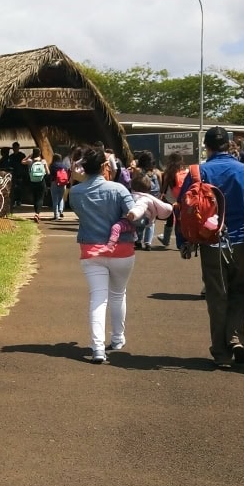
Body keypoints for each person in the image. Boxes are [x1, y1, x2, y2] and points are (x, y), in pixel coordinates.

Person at [176, 127, 244, 367]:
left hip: (211, 242)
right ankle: (236, 337)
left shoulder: (197, 172)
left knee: (216, 296)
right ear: (229, 145)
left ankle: (221, 353)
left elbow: (183, 209)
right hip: (243, 242)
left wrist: (184, 242)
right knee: (239, 293)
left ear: (207, 146)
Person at [68, 146, 137, 364]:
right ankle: (117, 338)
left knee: (98, 298)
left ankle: (97, 348)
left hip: (91, 250)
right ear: (104, 166)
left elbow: (80, 214)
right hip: (122, 250)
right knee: (118, 295)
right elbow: (134, 215)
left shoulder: (76, 192)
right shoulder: (118, 189)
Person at [91, 174, 173, 256]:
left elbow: (140, 207)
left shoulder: (140, 198)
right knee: (147, 227)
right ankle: (146, 242)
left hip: (135, 219)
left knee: (116, 227)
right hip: (144, 221)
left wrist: (133, 214)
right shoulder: (147, 198)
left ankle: (109, 246)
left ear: (132, 187)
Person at [134, 152, 163, 250]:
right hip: (153, 198)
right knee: (152, 221)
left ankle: (138, 241)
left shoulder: (138, 171)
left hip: (142, 198)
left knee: (140, 219)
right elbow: (161, 185)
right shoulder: (157, 172)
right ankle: (148, 243)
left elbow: (134, 183)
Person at [158, 152, 186, 247]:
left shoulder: (168, 171)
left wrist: (162, 194)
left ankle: (166, 239)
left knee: (170, 220)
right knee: (181, 220)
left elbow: (164, 186)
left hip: (170, 199)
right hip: (181, 198)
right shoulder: (183, 170)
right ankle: (183, 241)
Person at [24, 148, 48, 222]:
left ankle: (36, 213)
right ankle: (37, 214)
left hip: (32, 181)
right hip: (41, 181)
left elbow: (22, 161)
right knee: (40, 198)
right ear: (40, 153)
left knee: (35, 197)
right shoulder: (43, 161)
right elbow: (48, 172)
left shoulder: (30, 161)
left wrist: (28, 156)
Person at [49, 153, 70, 220]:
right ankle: (61, 210)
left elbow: (50, 175)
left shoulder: (52, 165)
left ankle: (56, 215)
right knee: (61, 198)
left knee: (55, 199)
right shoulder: (64, 166)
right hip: (63, 183)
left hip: (55, 182)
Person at [7, 142, 27, 207]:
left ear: (18, 148)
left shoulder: (22, 155)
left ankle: (19, 200)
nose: (15, 149)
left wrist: (24, 173)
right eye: (14, 147)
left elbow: (25, 165)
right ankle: (14, 200)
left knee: (20, 188)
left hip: (20, 174)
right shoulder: (11, 156)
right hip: (13, 174)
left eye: (16, 147)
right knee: (13, 188)